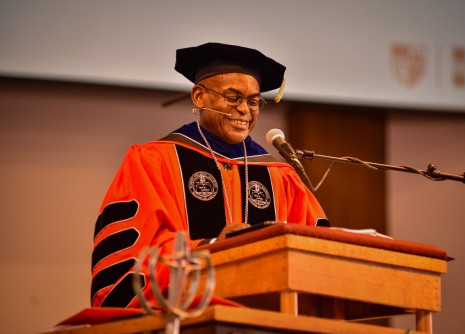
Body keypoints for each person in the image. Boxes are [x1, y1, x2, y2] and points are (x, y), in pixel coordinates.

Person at [91, 42, 329, 308]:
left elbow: (316, 254)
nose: (244, 110)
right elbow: (137, 254)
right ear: (199, 97)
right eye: (233, 97)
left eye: (253, 101)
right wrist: (213, 247)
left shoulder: (279, 175)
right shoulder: (154, 161)